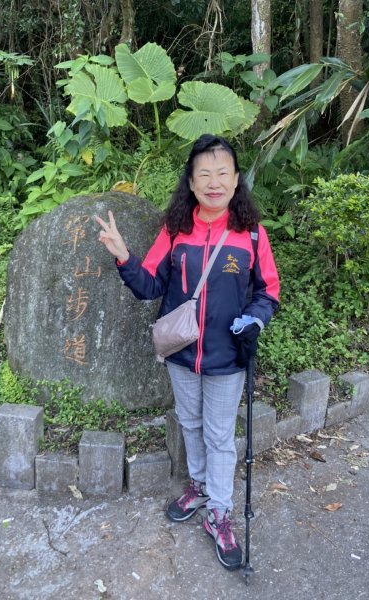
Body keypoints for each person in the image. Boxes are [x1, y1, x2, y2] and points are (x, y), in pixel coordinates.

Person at [95, 134, 279, 571]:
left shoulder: (251, 235)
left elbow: (267, 290)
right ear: (192, 184)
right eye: (204, 175)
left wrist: (255, 318)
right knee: (190, 423)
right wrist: (124, 257)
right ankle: (198, 486)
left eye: (222, 173)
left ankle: (220, 509)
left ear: (236, 181)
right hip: (181, 353)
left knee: (219, 435)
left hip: (228, 357)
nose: (213, 182)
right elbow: (150, 286)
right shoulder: (175, 231)